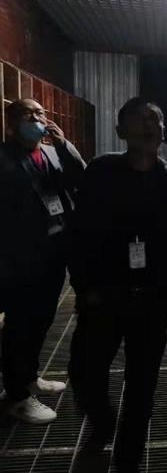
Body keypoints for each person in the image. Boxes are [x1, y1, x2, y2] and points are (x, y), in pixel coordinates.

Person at [68, 97, 167, 473]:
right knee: (84, 373)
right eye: (139, 119)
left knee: (141, 387)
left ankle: (128, 464)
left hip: (150, 302)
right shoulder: (100, 172)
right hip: (101, 298)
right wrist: (84, 288)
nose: (148, 125)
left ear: (163, 131)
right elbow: (79, 232)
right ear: (120, 130)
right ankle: (103, 421)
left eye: (155, 119)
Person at [0, 98, 85, 424]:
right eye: (29, 114)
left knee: (42, 320)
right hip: (20, 257)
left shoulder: (51, 152)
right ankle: (17, 397)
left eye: (41, 113)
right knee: (20, 325)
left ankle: (29, 377)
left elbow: (81, 177)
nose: (38, 118)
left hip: (54, 251)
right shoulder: (4, 158)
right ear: (12, 124)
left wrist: (64, 145)